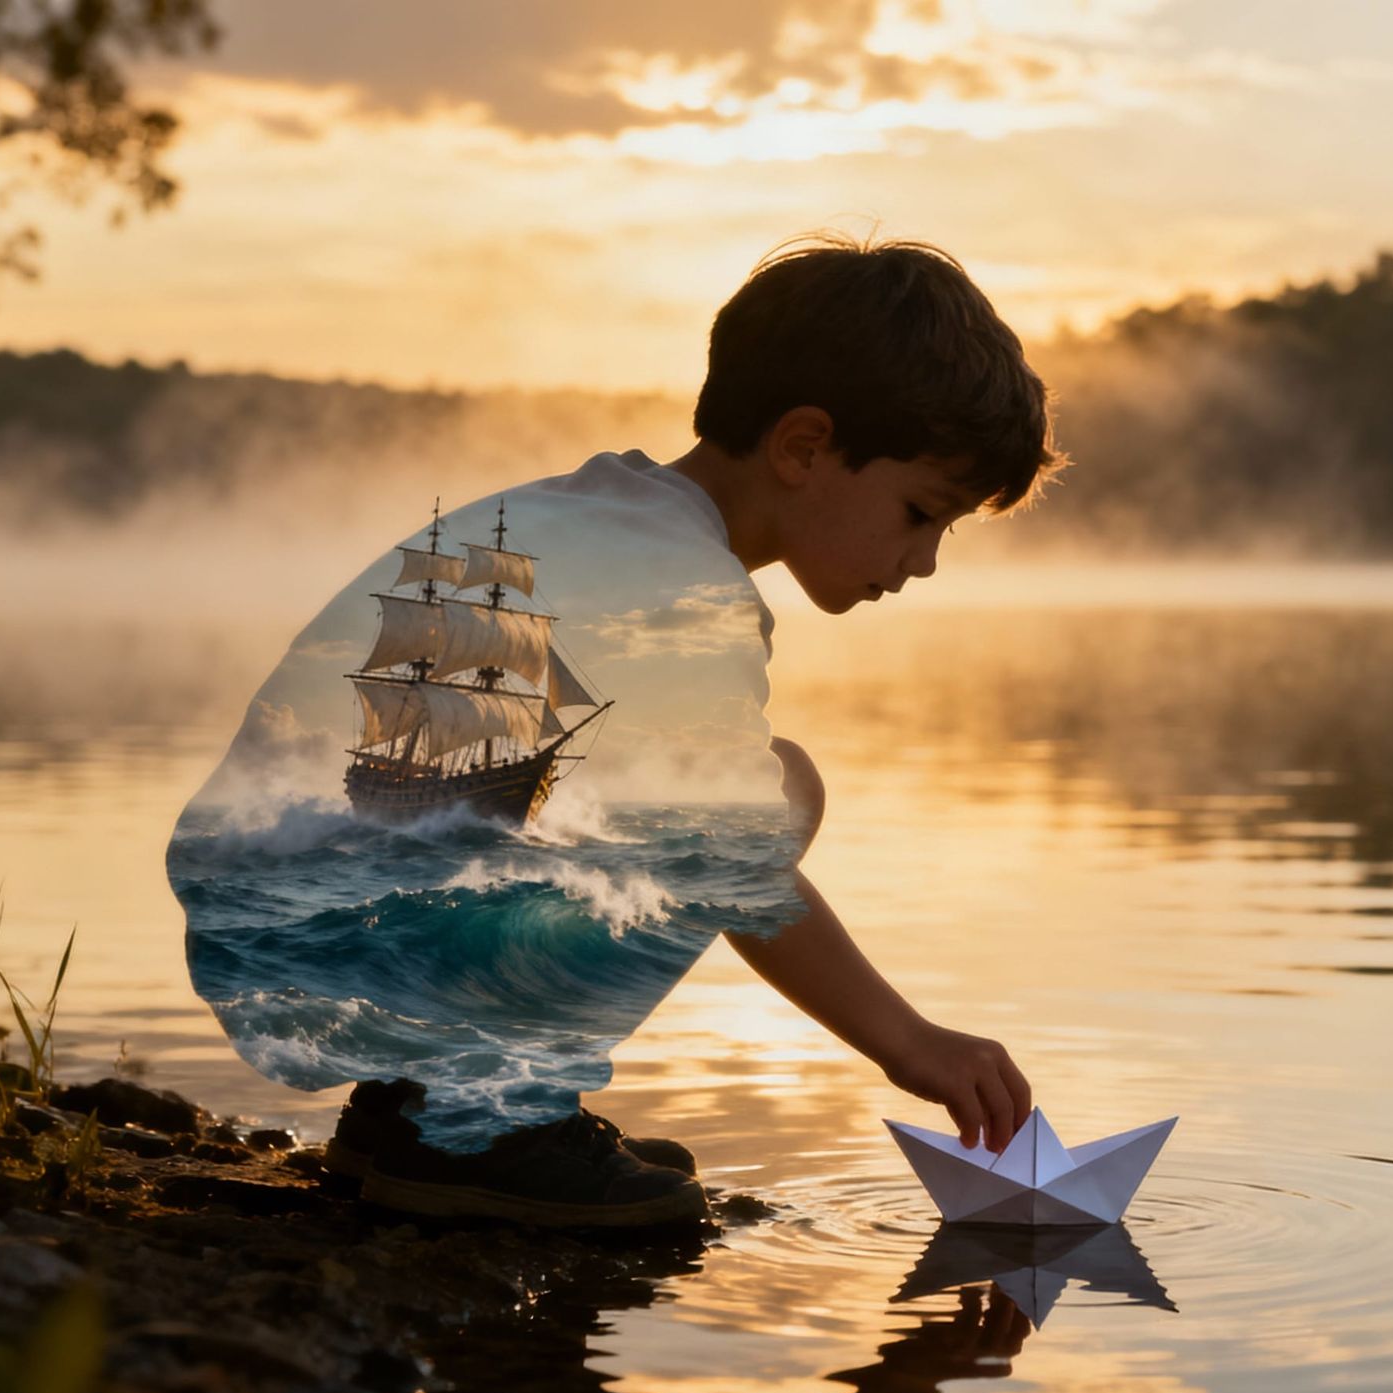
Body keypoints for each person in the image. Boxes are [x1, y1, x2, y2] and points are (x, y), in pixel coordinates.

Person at [167, 234, 1058, 1228]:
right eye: (919, 512)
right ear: (805, 446)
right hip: (320, 945)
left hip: (291, 936)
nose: (924, 561)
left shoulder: (602, 514)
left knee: (746, 781)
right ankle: (484, 1126)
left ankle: (416, 1106)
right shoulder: (678, 587)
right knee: (775, 793)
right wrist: (911, 1041)